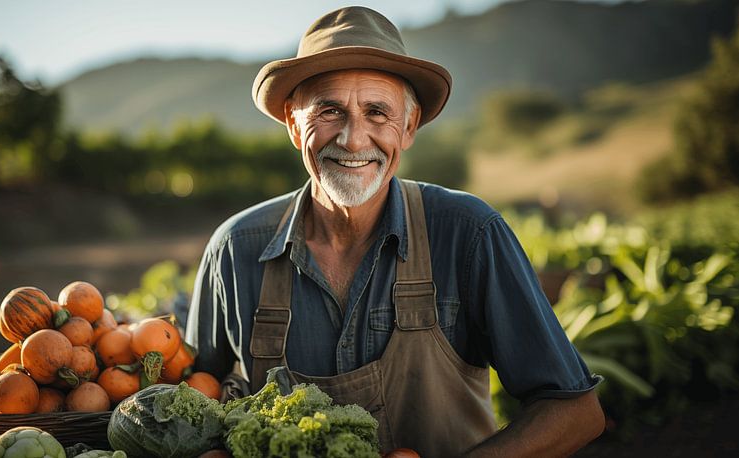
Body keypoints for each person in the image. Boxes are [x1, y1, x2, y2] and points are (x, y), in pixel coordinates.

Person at [185, 6, 604, 456]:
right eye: (329, 110)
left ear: (408, 126)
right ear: (293, 122)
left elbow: (576, 412)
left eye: (377, 112)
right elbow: (192, 406)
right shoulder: (235, 249)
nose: (353, 139)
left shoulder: (467, 233)